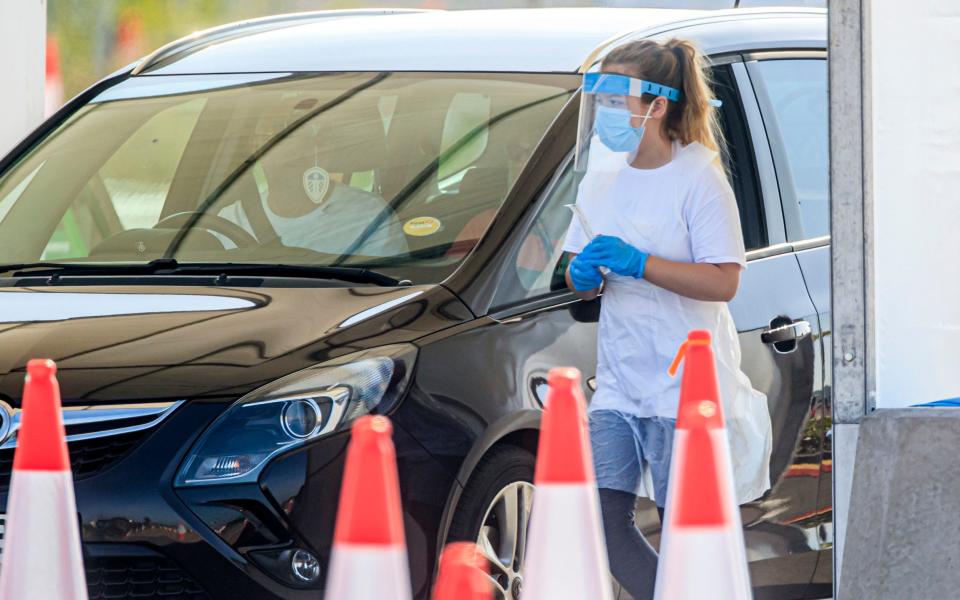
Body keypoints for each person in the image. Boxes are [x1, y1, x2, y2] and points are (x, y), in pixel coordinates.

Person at [562, 38, 772, 599]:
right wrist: (582, 275)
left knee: (683, 529)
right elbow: (576, 277)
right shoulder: (601, 177)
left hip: (685, 381)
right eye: (599, 97)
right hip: (620, 379)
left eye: (616, 98)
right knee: (602, 522)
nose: (605, 111)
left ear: (656, 105)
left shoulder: (699, 177)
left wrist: (641, 264)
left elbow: (724, 279)